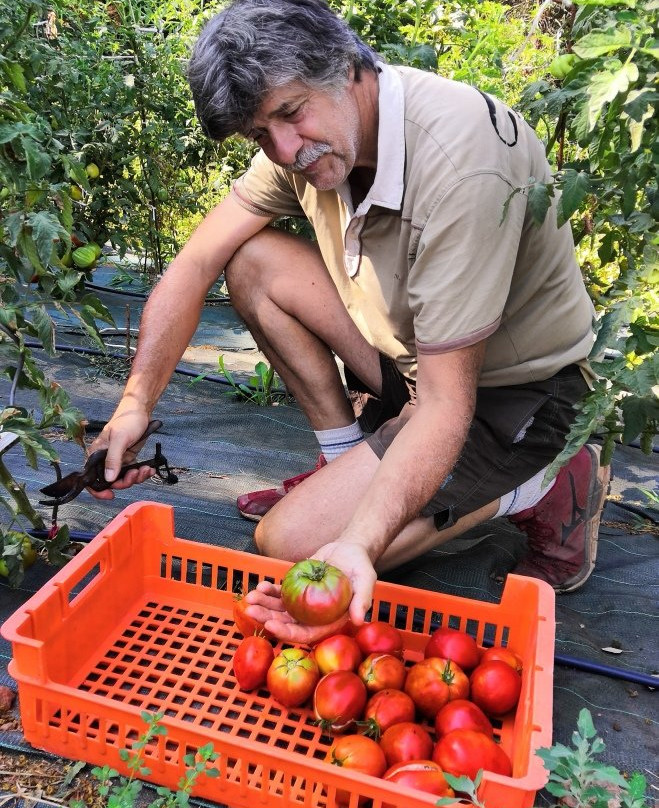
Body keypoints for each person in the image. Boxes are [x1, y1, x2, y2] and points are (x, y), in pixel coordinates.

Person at [89, 0, 610, 644]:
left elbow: (449, 404)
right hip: (418, 358)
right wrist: (134, 403)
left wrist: (357, 543)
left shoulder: (458, 163)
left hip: (510, 395)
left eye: (289, 113)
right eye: (260, 135)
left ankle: (545, 480)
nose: (284, 149)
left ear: (346, 67)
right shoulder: (315, 136)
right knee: (250, 261)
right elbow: (196, 262)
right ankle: (342, 459)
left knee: (291, 549)